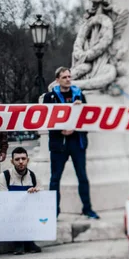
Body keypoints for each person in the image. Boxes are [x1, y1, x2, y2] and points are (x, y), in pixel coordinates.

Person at [42, 67, 99, 219]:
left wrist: (75, 127)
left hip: (77, 141)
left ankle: (87, 208)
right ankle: (54, 212)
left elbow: (87, 117)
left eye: (69, 76)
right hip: (58, 143)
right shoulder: (50, 97)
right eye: (64, 77)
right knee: (55, 179)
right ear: (57, 80)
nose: (68, 79)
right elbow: (46, 118)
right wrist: (60, 130)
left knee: (82, 176)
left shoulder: (79, 94)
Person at [0, 147, 42, 255]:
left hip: (28, 213)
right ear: (12, 161)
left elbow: (42, 197)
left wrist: (35, 192)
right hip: (11, 213)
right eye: (17, 159)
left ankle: (29, 240)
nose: (21, 162)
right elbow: (3, 200)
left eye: (23, 158)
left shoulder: (34, 176)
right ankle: (19, 242)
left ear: (28, 160)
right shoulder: (4, 176)